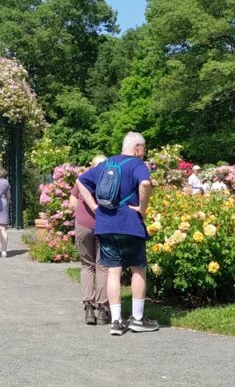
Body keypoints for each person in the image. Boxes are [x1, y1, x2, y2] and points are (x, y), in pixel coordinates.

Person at [77, 132, 158, 335]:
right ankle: (137, 319)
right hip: (129, 225)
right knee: (138, 268)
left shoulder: (106, 164)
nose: (144, 153)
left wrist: (95, 207)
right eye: (144, 149)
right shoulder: (137, 165)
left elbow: (81, 182)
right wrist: (142, 207)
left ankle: (115, 321)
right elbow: (146, 184)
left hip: (105, 225)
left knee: (114, 271)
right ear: (137, 148)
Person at [69, 154, 109, 325]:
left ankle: (88, 308)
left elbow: (71, 204)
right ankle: (102, 309)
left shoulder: (83, 179)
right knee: (103, 267)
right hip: (105, 226)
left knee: (87, 265)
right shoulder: (110, 181)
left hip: (83, 225)